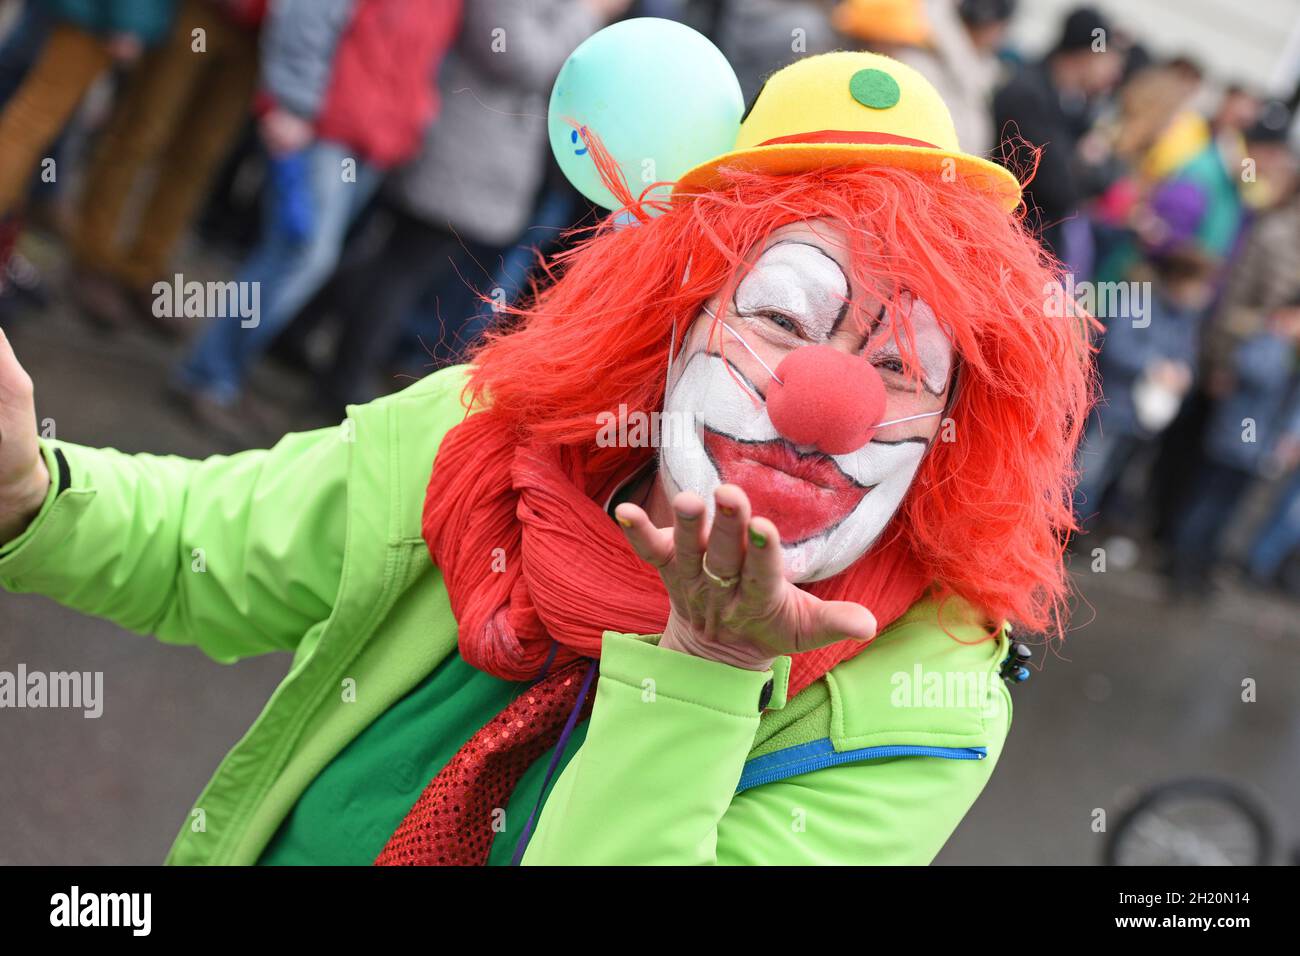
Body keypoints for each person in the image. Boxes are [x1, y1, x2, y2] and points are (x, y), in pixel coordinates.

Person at [0, 48, 1092, 865]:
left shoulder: (920, 700)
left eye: (901, 369)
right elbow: (208, 546)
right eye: (783, 318)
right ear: (673, 318)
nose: (830, 403)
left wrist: (707, 668)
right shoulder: (482, 437)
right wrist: (28, 493)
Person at [173, 0, 462, 433]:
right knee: (300, 254)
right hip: (324, 123)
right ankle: (210, 375)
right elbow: (304, 12)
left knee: (299, 257)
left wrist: (411, 116)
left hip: (369, 133)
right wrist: (292, 101)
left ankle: (224, 374)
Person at [67, 0, 267, 338]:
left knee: (201, 155)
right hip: (202, 12)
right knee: (143, 131)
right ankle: (93, 255)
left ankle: (145, 268)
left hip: (261, 33)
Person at [993, 5, 1123, 262]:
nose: (1114, 72)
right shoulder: (1028, 95)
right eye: (1109, 59)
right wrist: (1086, 164)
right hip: (1008, 244)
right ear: (1087, 54)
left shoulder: (1073, 105)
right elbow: (1057, 189)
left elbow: (1104, 175)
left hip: (1030, 246)